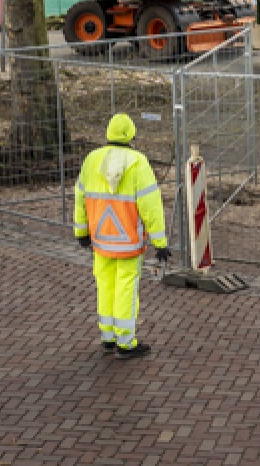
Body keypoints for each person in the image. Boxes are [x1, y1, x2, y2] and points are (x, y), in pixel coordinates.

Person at [72, 113, 169, 359]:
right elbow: (151, 205)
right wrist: (160, 242)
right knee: (126, 287)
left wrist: (81, 231)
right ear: (132, 135)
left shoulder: (92, 160)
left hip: (100, 240)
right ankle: (125, 342)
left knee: (104, 284)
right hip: (128, 242)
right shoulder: (138, 163)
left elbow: (80, 198)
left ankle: (108, 337)